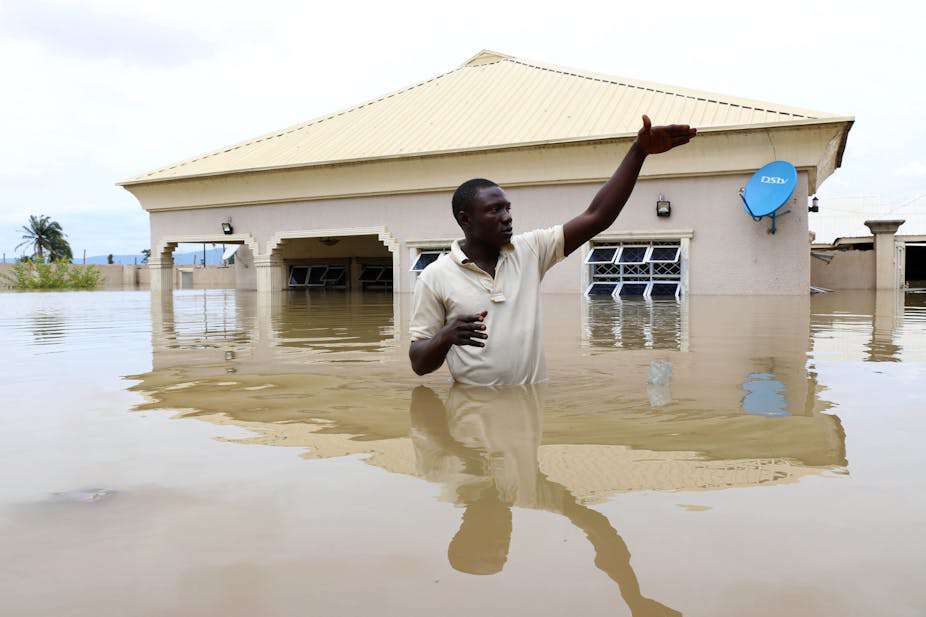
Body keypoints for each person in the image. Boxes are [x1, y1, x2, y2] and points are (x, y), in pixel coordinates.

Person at [409, 115, 697, 385]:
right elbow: (419, 364)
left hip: (528, 412)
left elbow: (597, 217)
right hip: (471, 413)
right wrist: (445, 337)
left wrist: (638, 152)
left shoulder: (530, 251)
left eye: (508, 208)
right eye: (494, 210)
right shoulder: (435, 277)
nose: (507, 217)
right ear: (466, 220)